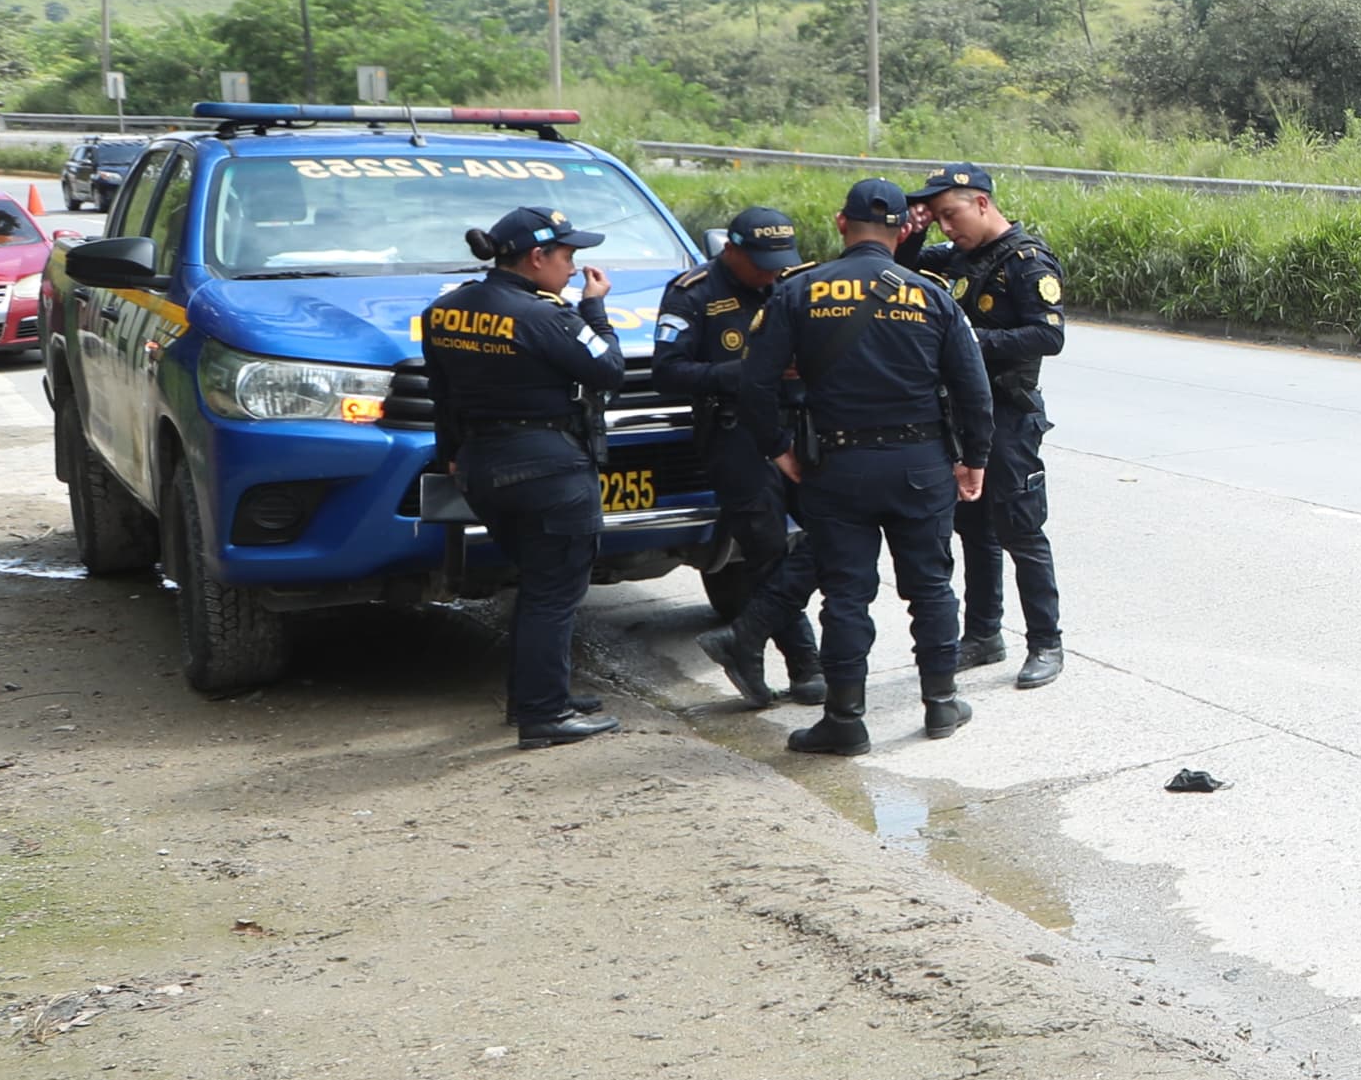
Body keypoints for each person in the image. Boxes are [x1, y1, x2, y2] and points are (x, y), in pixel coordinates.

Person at [707, 178, 990, 755]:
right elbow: (972, 389)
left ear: (841, 223)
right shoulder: (931, 293)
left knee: (845, 597)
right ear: (903, 229)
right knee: (932, 588)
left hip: (837, 465)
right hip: (921, 464)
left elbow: (757, 385)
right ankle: (940, 705)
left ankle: (845, 720)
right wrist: (974, 461)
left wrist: (778, 449)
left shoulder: (797, 292)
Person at [419, 205, 625, 748]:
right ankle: (543, 714)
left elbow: (442, 398)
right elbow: (608, 370)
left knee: (537, 586)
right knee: (553, 592)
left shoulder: (444, 311)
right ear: (537, 257)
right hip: (549, 469)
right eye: (568, 255)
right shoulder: (545, 316)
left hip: (482, 468)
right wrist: (594, 310)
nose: (573, 266)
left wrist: (452, 460)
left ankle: (535, 694)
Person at [655, 205, 819, 704]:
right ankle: (803, 663)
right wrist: (743, 373)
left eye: (779, 261)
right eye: (761, 262)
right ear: (731, 249)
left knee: (831, 535)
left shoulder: (790, 284)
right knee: (768, 548)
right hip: (736, 434)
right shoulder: (694, 292)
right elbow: (668, 372)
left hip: (798, 428)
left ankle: (744, 637)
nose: (770, 272)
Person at [914, 161, 1068, 689]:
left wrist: (971, 342)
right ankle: (982, 635)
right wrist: (912, 231)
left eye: (950, 214)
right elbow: (902, 264)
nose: (946, 228)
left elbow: (1049, 336)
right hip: (962, 416)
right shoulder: (956, 257)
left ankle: (1046, 642)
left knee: (1020, 529)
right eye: (936, 219)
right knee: (974, 529)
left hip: (1008, 411)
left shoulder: (1026, 261)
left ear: (982, 202)